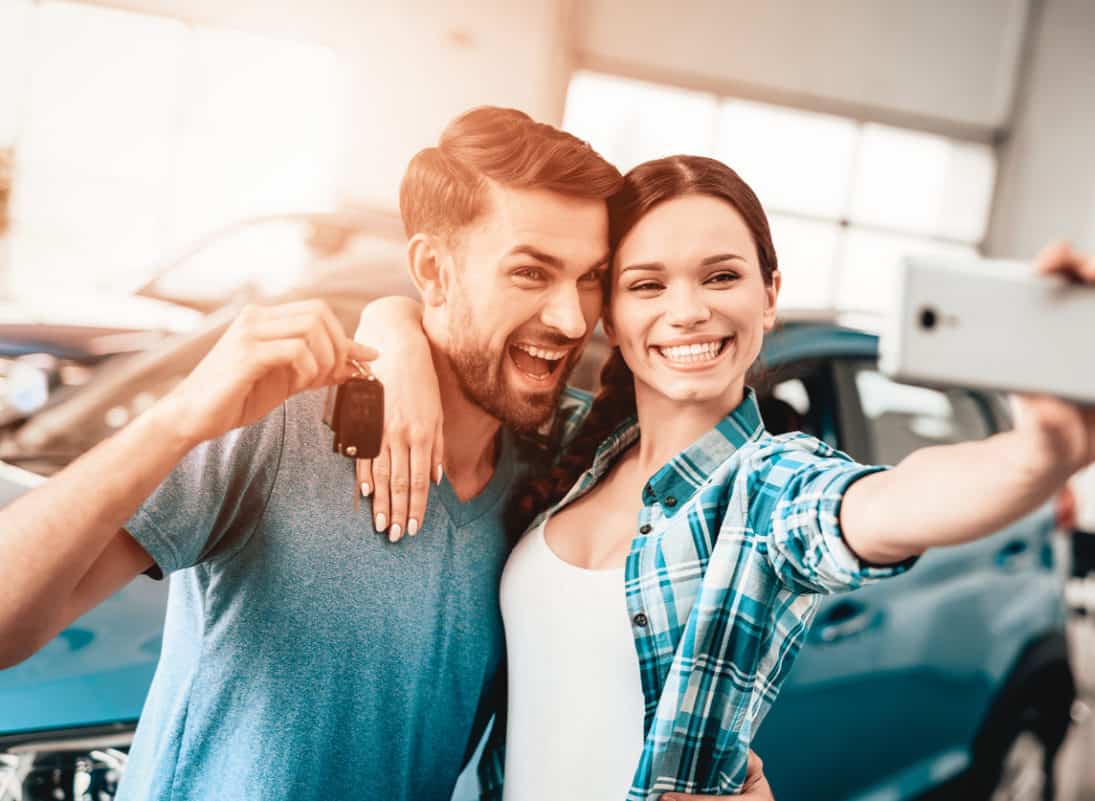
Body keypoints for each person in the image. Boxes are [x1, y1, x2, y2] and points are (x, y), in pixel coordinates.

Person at [0, 108, 773, 801]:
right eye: (530, 272)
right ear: (434, 272)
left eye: (592, 279)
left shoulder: (564, 473)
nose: (571, 317)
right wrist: (176, 420)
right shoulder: (285, 424)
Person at [356, 155, 1095, 800]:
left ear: (769, 295)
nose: (688, 309)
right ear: (611, 320)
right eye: (647, 283)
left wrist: (1042, 452)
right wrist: (390, 328)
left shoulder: (771, 488)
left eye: (721, 277)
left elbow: (886, 501)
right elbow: (456, 353)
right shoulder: (569, 447)